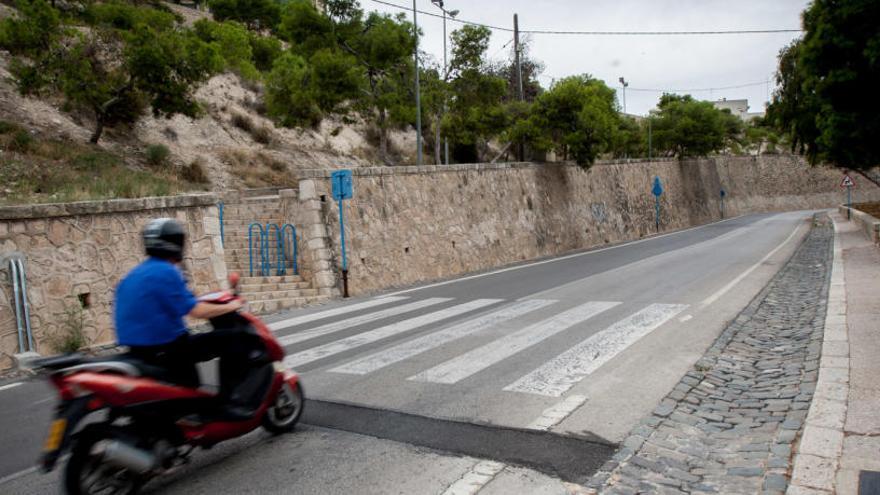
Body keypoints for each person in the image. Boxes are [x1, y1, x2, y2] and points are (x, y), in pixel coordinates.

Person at [114, 218, 248, 405]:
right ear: (176, 243)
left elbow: (181, 299)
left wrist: (216, 298)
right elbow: (196, 311)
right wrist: (232, 306)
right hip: (169, 347)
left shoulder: (136, 274)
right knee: (235, 338)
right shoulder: (166, 271)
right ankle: (230, 399)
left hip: (139, 349)